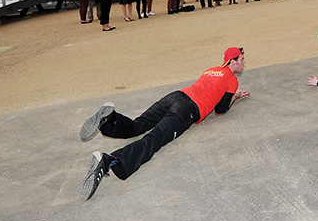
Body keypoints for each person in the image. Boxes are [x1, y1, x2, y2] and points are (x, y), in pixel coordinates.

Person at [78, 47, 251, 200]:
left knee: (139, 124)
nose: (244, 62)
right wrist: (234, 96)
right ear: (232, 62)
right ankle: (109, 161)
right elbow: (220, 110)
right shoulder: (232, 80)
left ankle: (109, 121)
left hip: (175, 96)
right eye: (241, 59)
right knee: (155, 139)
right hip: (187, 109)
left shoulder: (211, 70)